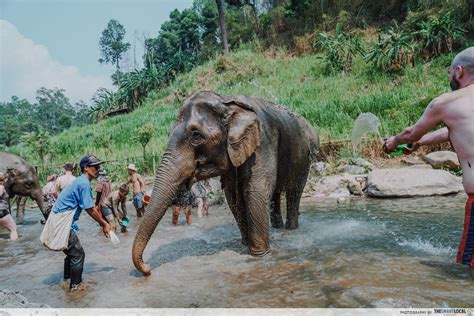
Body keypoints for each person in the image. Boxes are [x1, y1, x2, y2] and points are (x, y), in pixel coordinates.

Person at [383, 47, 474, 277]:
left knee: (465, 271)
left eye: (450, 73)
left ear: (459, 72)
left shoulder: (446, 102)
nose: (450, 78)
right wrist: (422, 143)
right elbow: (454, 130)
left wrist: (393, 142)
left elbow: (411, 133)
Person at [45, 155, 110, 291]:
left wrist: (102, 222)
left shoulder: (81, 181)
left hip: (59, 220)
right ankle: (75, 288)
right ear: (86, 168)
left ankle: (67, 281)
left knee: (72, 254)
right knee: (78, 254)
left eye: (99, 166)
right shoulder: (83, 183)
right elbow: (91, 210)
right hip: (61, 222)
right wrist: (104, 224)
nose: (98, 169)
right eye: (95, 167)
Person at [0, 173, 18, 241]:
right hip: (2, 211)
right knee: (13, 229)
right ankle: (14, 247)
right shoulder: (1, 187)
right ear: (4, 179)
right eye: (5, 178)